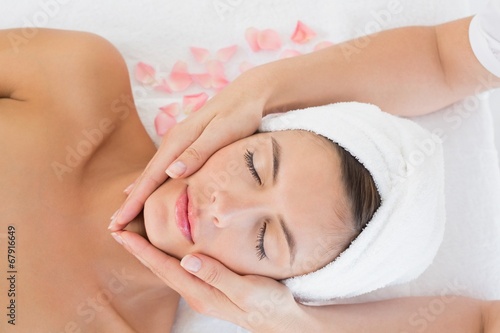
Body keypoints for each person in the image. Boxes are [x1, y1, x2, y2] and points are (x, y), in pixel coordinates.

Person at [108, 1, 500, 332]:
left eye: (264, 241)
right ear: (246, 132)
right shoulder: (81, 70)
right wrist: (258, 90)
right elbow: (450, 56)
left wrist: (301, 324)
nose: (222, 209)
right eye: (252, 166)